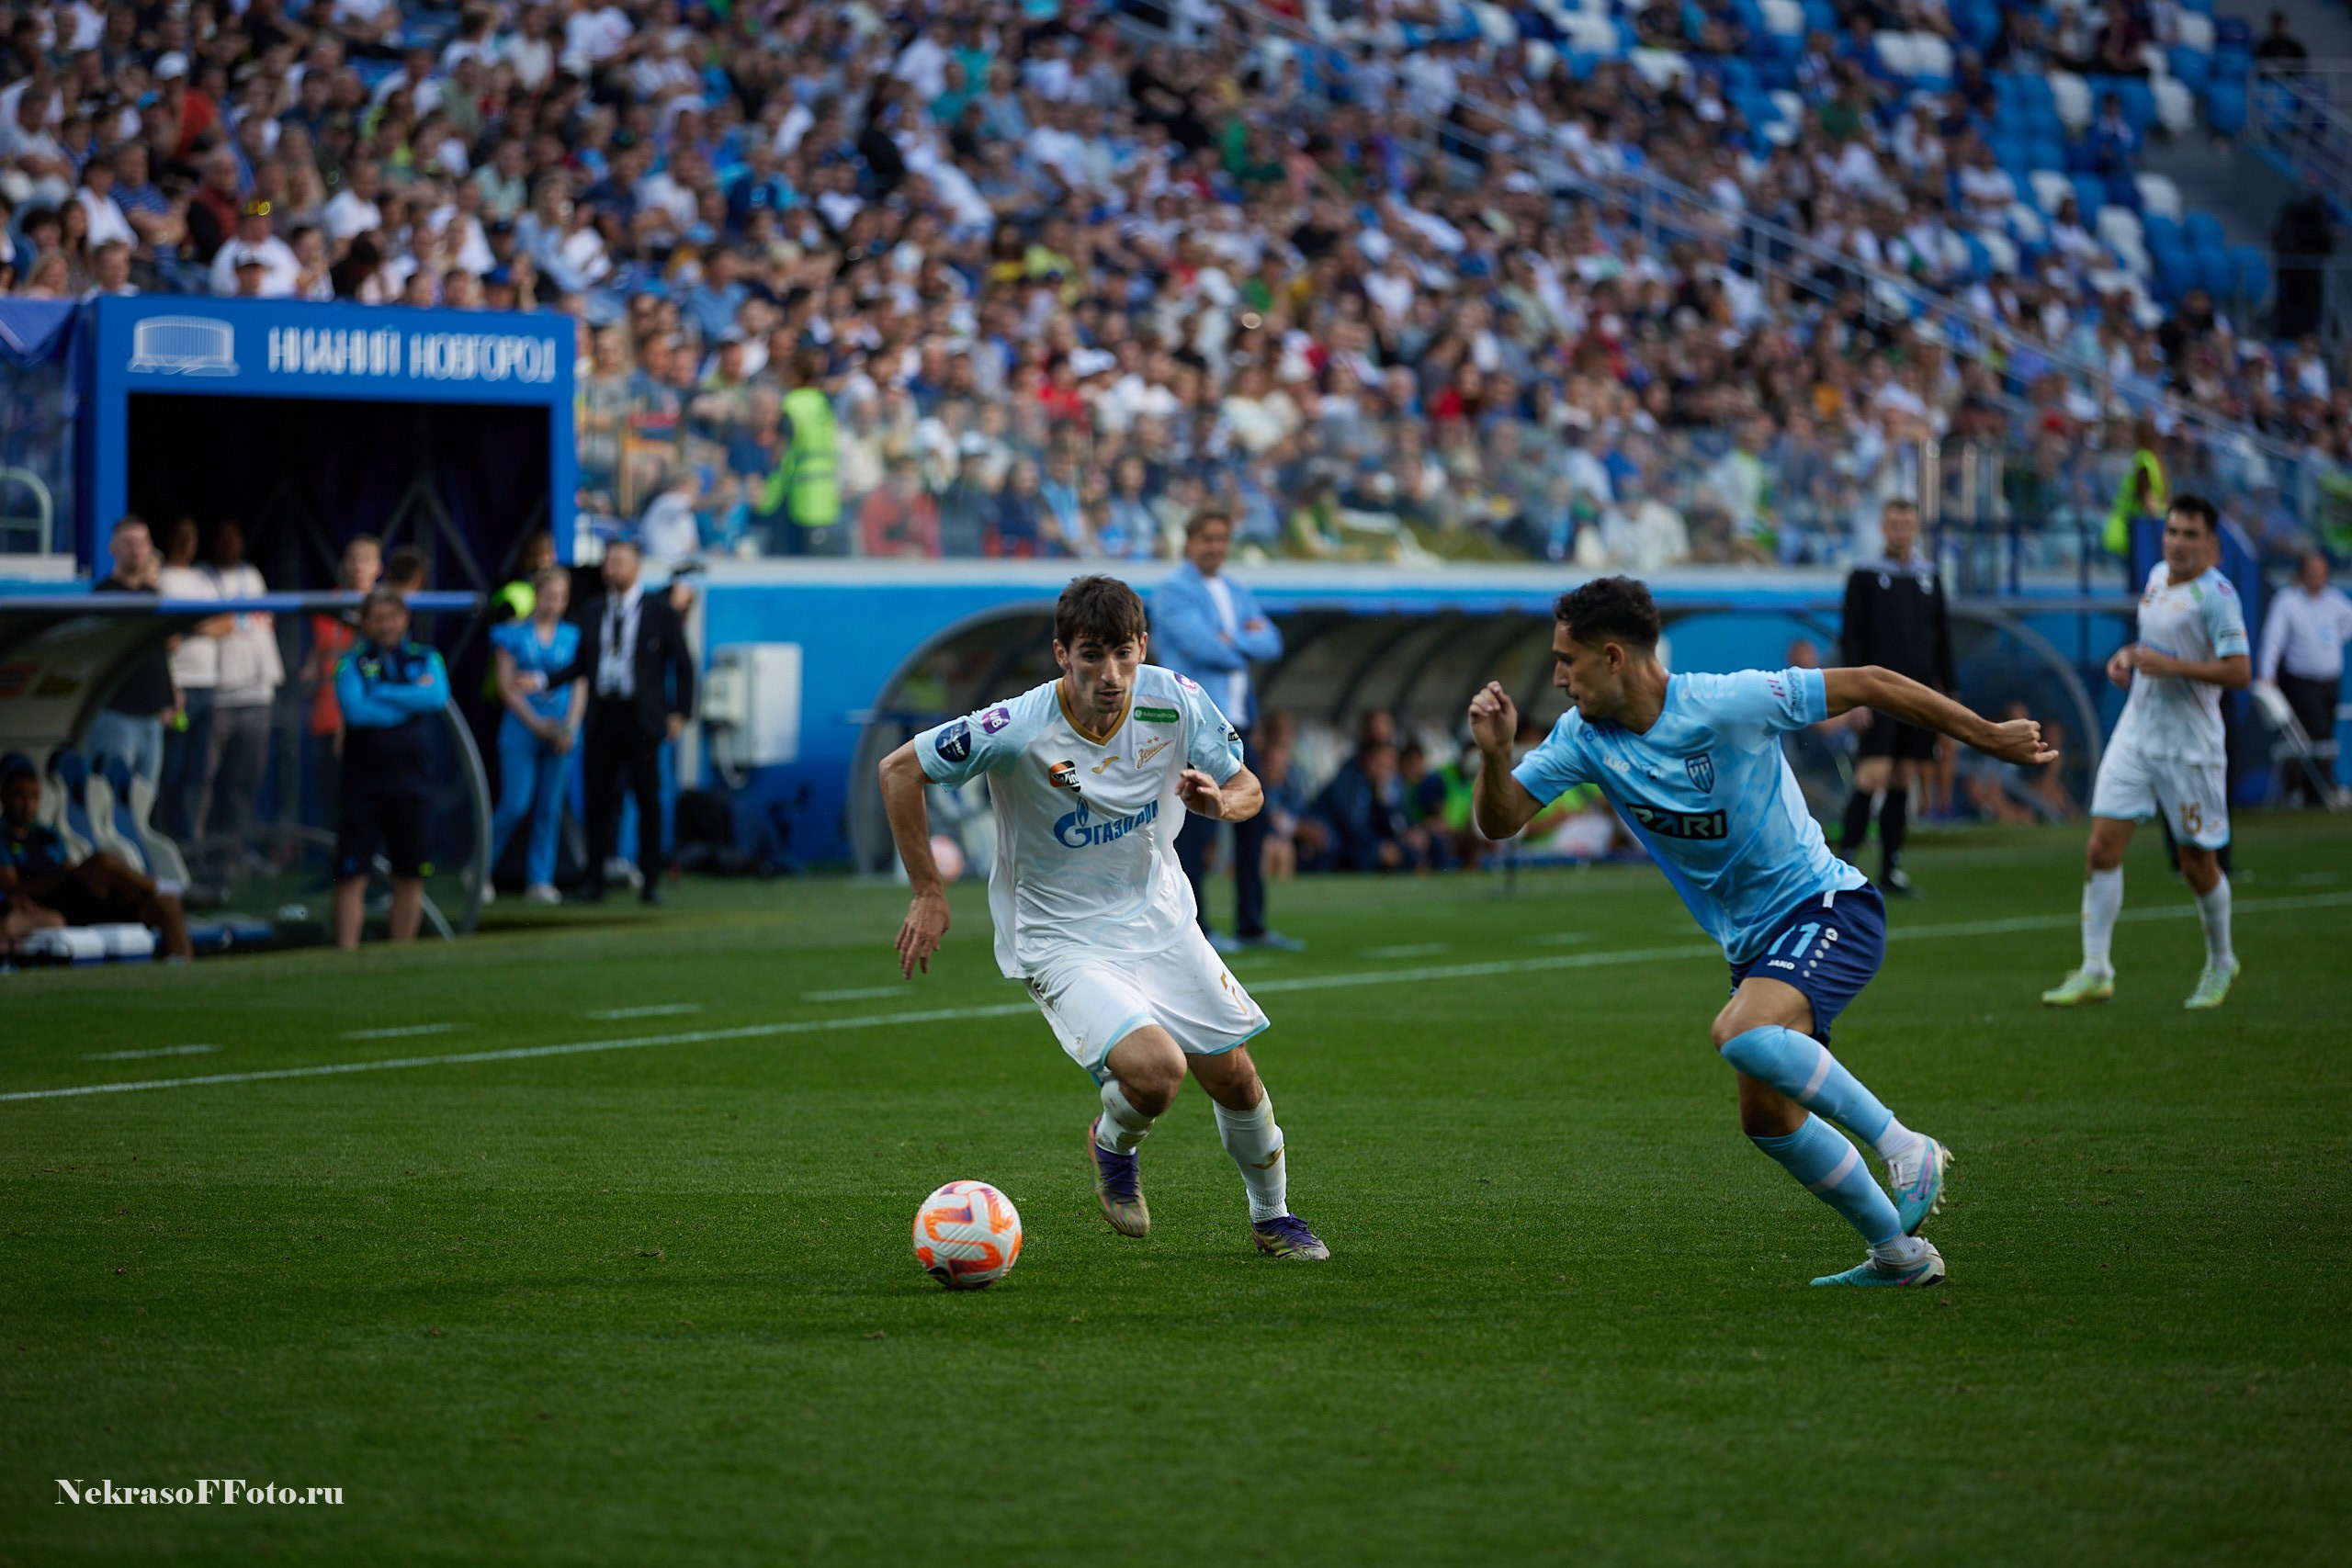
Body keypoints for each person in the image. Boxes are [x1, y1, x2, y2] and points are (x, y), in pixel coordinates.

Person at [1468, 576, 2054, 1287]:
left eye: (1568, 659)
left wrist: (1989, 735)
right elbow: (1499, 823)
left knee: (1739, 1033)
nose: (1558, 677)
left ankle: (1906, 1147)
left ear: (1614, 656)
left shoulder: (1729, 701)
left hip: (1829, 908)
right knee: (1767, 1119)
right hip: (1755, 949)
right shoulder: (1585, 740)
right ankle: (1899, 1255)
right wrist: (1495, 755)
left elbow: (1869, 681)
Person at [878, 575, 1329, 1261]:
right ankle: (1112, 1143)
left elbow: (1248, 785)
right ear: (1063, 654)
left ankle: (1273, 1216)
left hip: (1161, 919)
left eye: (1123, 652)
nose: (1111, 673)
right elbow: (898, 769)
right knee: (1157, 1072)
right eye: (1091, 654)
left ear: (1142, 646)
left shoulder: (1176, 700)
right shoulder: (1020, 725)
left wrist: (1221, 803)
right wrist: (929, 891)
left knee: (1235, 1074)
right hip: (1061, 938)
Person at [2045, 496, 2251, 1010]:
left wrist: (2171, 666)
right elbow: (2151, 651)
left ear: (2211, 544)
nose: (2178, 543)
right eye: (2172, 532)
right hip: (2137, 736)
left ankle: (2222, 961)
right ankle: (2096, 969)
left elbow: (2240, 672)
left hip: (2190, 748)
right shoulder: (2158, 577)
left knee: (2196, 863)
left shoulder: (2218, 596)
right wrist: (2127, 659)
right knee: (2100, 849)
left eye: (2189, 534)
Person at [1149, 510, 1298, 950]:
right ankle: (1197, 929)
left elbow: (1272, 642)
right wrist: (1239, 639)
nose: (1215, 546)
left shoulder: (1236, 589)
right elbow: (1204, 647)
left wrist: (1230, 639)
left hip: (1241, 723)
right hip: (1197, 727)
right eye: (1206, 538)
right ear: (1189, 542)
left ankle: (1252, 924)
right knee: (1195, 829)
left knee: (1253, 820)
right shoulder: (1173, 591)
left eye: (1222, 538)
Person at [551, 537, 695, 905]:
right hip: (603, 716)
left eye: (620, 561)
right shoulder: (593, 609)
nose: (612, 567)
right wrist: (544, 681)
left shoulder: (658, 611)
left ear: (636, 567)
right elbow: (582, 662)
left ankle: (650, 881)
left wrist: (679, 712)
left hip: (642, 718)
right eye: (608, 561)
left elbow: (683, 663)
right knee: (598, 801)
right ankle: (594, 879)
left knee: (648, 800)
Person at [1835, 499, 1955, 895]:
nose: (1901, 530)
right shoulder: (1865, 576)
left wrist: (1948, 691)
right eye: (1894, 523)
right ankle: (1843, 865)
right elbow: (1851, 637)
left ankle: (1890, 868)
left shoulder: (1929, 577)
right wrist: (1856, 697)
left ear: (1916, 528)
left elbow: (1942, 638)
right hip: (1878, 693)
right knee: (1873, 774)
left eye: (1907, 523)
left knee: (1904, 776)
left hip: (1918, 694)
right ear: (1884, 528)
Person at [332, 589, 451, 951]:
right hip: (363, 787)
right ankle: (346, 952)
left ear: (405, 619)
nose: (386, 625)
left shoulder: (426, 658)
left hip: (412, 786)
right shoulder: (351, 663)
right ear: (366, 622)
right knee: (353, 875)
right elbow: (357, 712)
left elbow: (435, 697)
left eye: (392, 617)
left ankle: (401, 955)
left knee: (409, 875)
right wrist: (408, 700)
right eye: (378, 618)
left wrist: (380, 691)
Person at [1, 755, 193, 959]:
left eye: (34, 797)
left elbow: (68, 869)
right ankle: (155, 885)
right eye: (20, 796)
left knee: (167, 905)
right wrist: (70, 876)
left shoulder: (46, 835)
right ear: (4, 796)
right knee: (102, 862)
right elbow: (12, 886)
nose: (28, 804)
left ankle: (184, 974)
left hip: (79, 900)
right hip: (48, 904)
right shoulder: (2, 836)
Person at [489, 567, 584, 904]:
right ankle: (482, 869)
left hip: (560, 732)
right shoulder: (511, 635)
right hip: (521, 729)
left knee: (550, 807)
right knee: (515, 803)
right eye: (547, 596)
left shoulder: (574, 637)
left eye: (560, 598)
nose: (553, 604)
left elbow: (579, 685)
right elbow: (506, 686)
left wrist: (569, 726)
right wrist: (535, 723)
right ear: (536, 596)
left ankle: (540, 880)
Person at [199, 520, 281, 860]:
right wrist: (231, 620)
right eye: (223, 537)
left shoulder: (253, 576)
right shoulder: (201, 579)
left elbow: (263, 621)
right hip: (220, 694)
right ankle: (198, 853)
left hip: (258, 692)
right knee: (204, 780)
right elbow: (205, 626)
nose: (230, 543)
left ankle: (232, 853)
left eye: (236, 536)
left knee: (244, 781)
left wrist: (233, 620)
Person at [86, 514, 177, 796]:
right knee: (111, 800)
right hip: (116, 714)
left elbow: (163, 654)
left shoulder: (155, 596)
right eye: (128, 543)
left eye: (142, 542)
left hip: (152, 718)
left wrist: (171, 695)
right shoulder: (101, 596)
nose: (136, 549)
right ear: (112, 547)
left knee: (143, 803)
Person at [2256, 548, 2352, 805]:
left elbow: (2347, 624)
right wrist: (2266, 673)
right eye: (2311, 571)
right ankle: (2305, 791)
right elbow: (2273, 639)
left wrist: (2329, 646)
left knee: (2324, 735)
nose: (2316, 576)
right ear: (2301, 572)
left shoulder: (2334, 601)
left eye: (2320, 571)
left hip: (2329, 682)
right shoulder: (2287, 601)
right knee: (2304, 737)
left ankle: (2317, 791)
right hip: (2300, 682)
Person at [155, 516, 224, 845]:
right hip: (177, 687)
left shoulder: (203, 579)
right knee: (172, 768)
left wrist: (187, 626)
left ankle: (190, 841)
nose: (186, 544)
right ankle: (164, 837)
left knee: (200, 770)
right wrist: (197, 623)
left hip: (208, 685)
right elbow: (162, 635)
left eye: (192, 537)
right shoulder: (160, 578)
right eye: (180, 536)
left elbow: (226, 623)